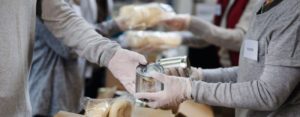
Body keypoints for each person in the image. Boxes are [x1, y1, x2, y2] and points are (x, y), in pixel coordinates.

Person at [136, 0, 300, 116]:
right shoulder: (261, 7)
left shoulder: (293, 12)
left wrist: (190, 89)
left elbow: (268, 94)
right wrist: (199, 76)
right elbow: (249, 71)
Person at [0, 0, 146, 116]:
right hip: (47, 98)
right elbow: (66, 48)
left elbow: (61, 17)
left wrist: (112, 54)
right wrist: (116, 27)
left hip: (19, 107)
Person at [29, 0, 128, 116]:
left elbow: (84, 48)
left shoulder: (74, 4)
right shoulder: (47, 6)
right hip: (48, 100)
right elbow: (70, 47)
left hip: (72, 97)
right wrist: (114, 26)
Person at [160, 0, 258, 67]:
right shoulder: (225, 1)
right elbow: (211, 37)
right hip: (226, 68)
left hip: (245, 73)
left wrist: (190, 23)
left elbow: (241, 40)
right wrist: (168, 38)